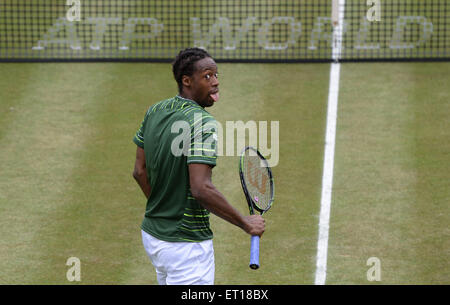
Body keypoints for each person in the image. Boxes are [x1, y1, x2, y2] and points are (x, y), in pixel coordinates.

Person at [132, 47, 265, 285]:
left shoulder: (155, 110)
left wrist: (164, 208)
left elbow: (139, 171)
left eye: (216, 75)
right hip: (186, 246)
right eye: (207, 76)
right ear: (186, 81)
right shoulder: (203, 123)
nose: (215, 83)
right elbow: (201, 188)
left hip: (154, 236)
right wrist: (246, 223)